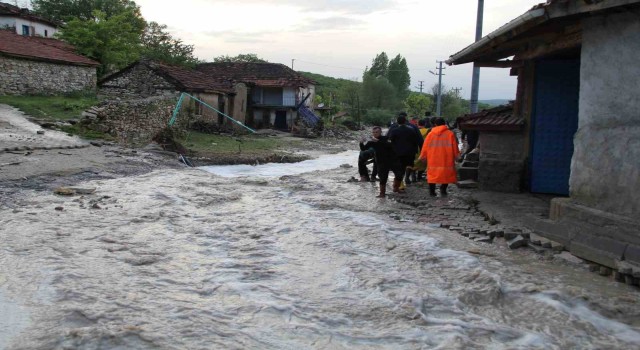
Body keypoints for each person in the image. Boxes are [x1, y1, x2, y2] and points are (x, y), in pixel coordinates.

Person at [419, 117, 460, 197]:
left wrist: (423, 156)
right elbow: (455, 147)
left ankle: (432, 192)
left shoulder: (430, 134)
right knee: (446, 174)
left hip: (433, 158)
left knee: (432, 175)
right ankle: (443, 190)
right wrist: (457, 156)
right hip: (446, 158)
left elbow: (425, 146)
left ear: (435, 124)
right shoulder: (450, 134)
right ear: (444, 123)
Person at [387, 113, 422, 193]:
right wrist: (421, 150)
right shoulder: (413, 128)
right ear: (406, 119)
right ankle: (407, 178)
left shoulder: (393, 128)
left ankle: (400, 184)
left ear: (397, 120)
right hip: (410, 152)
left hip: (397, 152)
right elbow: (419, 140)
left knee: (399, 168)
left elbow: (388, 139)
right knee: (409, 165)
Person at [360, 126, 395, 197]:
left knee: (397, 174)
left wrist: (378, 141)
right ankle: (382, 193)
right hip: (379, 161)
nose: (375, 134)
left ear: (380, 132)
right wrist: (361, 142)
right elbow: (363, 149)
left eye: (376, 132)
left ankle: (395, 189)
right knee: (382, 176)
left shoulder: (385, 138)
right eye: (373, 132)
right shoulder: (371, 142)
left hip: (389, 159)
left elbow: (390, 146)